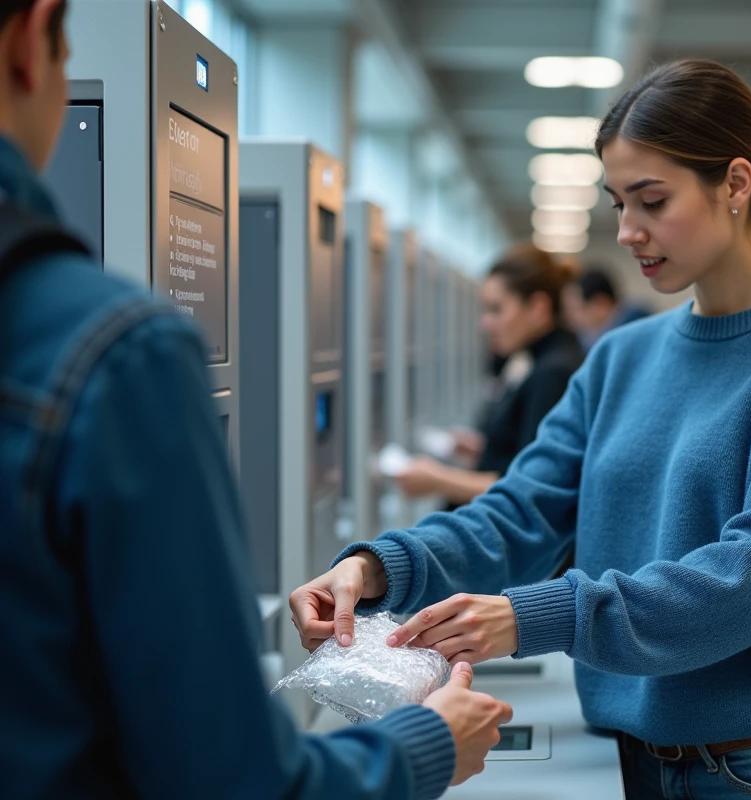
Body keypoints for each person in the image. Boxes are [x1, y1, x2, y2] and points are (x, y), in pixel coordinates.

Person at [291, 59, 751, 800]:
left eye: (651, 201)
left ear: (737, 184)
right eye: (618, 203)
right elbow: (522, 509)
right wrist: (379, 567)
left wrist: (532, 615)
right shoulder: (624, 355)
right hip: (637, 764)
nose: (626, 232)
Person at [0, 2, 510, 796]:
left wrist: (380, 562)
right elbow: (234, 776)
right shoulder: (117, 352)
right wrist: (429, 743)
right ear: (30, 42)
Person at [396, 243, 584, 507]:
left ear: (538, 308)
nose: (484, 323)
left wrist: (438, 479)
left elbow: (528, 488)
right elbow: (527, 451)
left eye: (496, 309)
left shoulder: (554, 372)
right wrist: (485, 448)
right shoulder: (540, 359)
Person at [562, 266, 652, 350]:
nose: (570, 317)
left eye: (576, 309)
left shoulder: (636, 336)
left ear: (601, 303)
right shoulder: (590, 338)